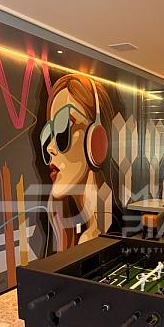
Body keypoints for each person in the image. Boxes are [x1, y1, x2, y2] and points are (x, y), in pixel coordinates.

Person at [40, 74, 121, 251]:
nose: (50, 147)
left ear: (95, 139)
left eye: (64, 127)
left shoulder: (115, 231)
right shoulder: (66, 229)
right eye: (49, 132)